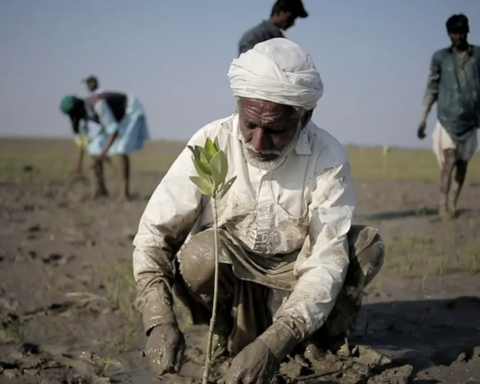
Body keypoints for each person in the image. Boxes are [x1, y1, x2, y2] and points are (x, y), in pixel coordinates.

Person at [132, 38, 385, 384]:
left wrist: (276, 342)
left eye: (276, 130)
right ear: (238, 105)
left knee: (363, 246)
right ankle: (223, 330)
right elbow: (154, 236)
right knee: (200, 254)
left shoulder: (328, 158)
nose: (257, 142)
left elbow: (325, 261)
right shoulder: (211, 142)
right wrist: (159, 320)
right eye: (249, 124)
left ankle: (321, 340)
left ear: (305, 116)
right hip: (233, 270)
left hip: (295, 269)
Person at [417, 14, 480, 220]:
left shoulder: (477, 56)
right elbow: (431, 87)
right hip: (447, 119)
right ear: (449, 34)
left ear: (467, 32)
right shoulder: (441, 58)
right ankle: (442, 204)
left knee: (462, 165)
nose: (458, 36)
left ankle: (453, 200)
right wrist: (424, 118)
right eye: (454, 33)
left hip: (470, 121)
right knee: (449, 160)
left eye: (461, 32)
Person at [59, 91, 150, 199]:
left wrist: (103, 154)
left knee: (122, 149)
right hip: (115, 118)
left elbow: (113, 131)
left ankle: (125, 192)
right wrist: (79, 166)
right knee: (93, 148)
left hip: (129, 111)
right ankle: (101, 189)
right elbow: (83, 141)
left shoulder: (99, 106)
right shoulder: (82, 114)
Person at [238, 0, 308, 56]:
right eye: (290, 18)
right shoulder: (255, 35)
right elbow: (246, 61)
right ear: (278, 12)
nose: (292, 23)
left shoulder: (282, 41)